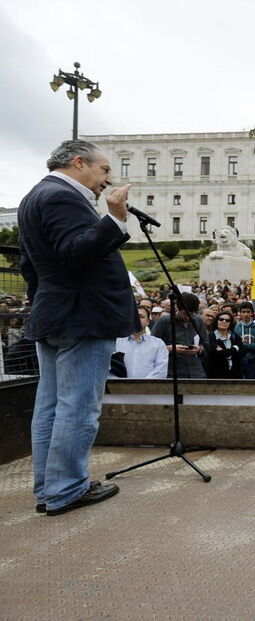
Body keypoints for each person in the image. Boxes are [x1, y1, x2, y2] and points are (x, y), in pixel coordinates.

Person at [18, 139, 136, 515]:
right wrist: (115, 218)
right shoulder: (61, 197)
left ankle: (49, 489)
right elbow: (75, 251)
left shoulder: (34, 196)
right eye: (104, 171)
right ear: (80, 163)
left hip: (56, 312)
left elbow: (29, 266)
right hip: (82, 316)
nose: (107, 180)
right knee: (78, 408)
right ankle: (66, 489)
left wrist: (46, 303)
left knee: (51, 407)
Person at [150, 292, 207, 378]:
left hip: (196, 372)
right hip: (172, 373)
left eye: (191, 314)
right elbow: (151, 347)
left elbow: (206, 344)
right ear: (177, 308)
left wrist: (199, 349)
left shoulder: (198, 321)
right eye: (184, 314)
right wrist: (170, 348)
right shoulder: (164, 321)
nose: (188, 317)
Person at [112, 307, 168, 379]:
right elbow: (109, 368)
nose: (137, 320)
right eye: (134, 317)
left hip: (150, 388)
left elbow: (161, 371)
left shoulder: (158, 344)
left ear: (148, 321)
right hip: (119, 388)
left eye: (141, 317)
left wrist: (142, 386)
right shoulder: (116, 343)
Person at [205, 310, 243, 378]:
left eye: (227, 320)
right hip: (216, 376)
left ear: (230, 323)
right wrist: (234, 349)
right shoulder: (210, 337)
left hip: (235, 375)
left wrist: (224, 352)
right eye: (221, 319)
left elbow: (242, 352)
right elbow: (214, 353)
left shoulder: (235, 336)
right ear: (217, 321)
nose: (224, 321)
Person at [235, 302, 255, 379]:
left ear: (252, 313)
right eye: (243, 312)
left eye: (248, 312)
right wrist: (251, 345)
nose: (246, 314)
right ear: (240, 313)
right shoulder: (235, 328)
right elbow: (235, 346)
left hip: (254, 360)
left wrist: (243, 345)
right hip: (239, 360)